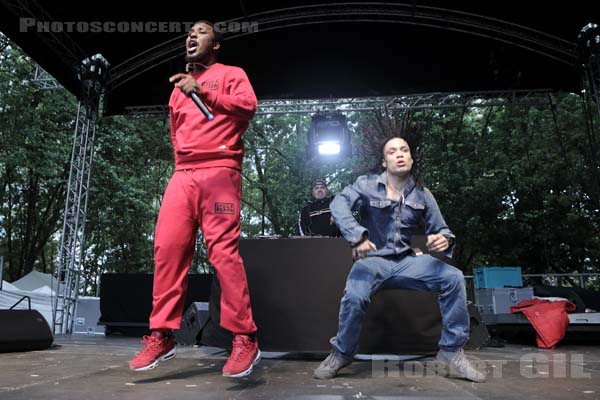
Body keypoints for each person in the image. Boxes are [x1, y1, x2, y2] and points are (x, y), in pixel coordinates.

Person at [129, 20, 260, 378]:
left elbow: (248, 107)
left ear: (215, 44)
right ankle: (162, 334)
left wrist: (203, 92)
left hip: (220, 171)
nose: (191, 35)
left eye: (200, 32)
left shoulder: (231, 73)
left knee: (223, 253)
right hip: (183, 174)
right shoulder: (177, 90)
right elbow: (177, 132)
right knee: (167, 248)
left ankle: (245, 338)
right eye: (189, 32)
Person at [313, 136, 486, 382]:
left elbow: (443, 230)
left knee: (453, 277)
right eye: (392, 151)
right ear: (385, 162)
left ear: (411, 158)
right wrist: (358, 237)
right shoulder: (366, 184)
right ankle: (342, 352)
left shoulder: (423, 194)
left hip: (407, 262)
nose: (399, 154)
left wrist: (445, 240)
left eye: (404, 150)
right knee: (354, 297)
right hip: (372, 261)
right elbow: (338, 204)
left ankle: (451, 350)